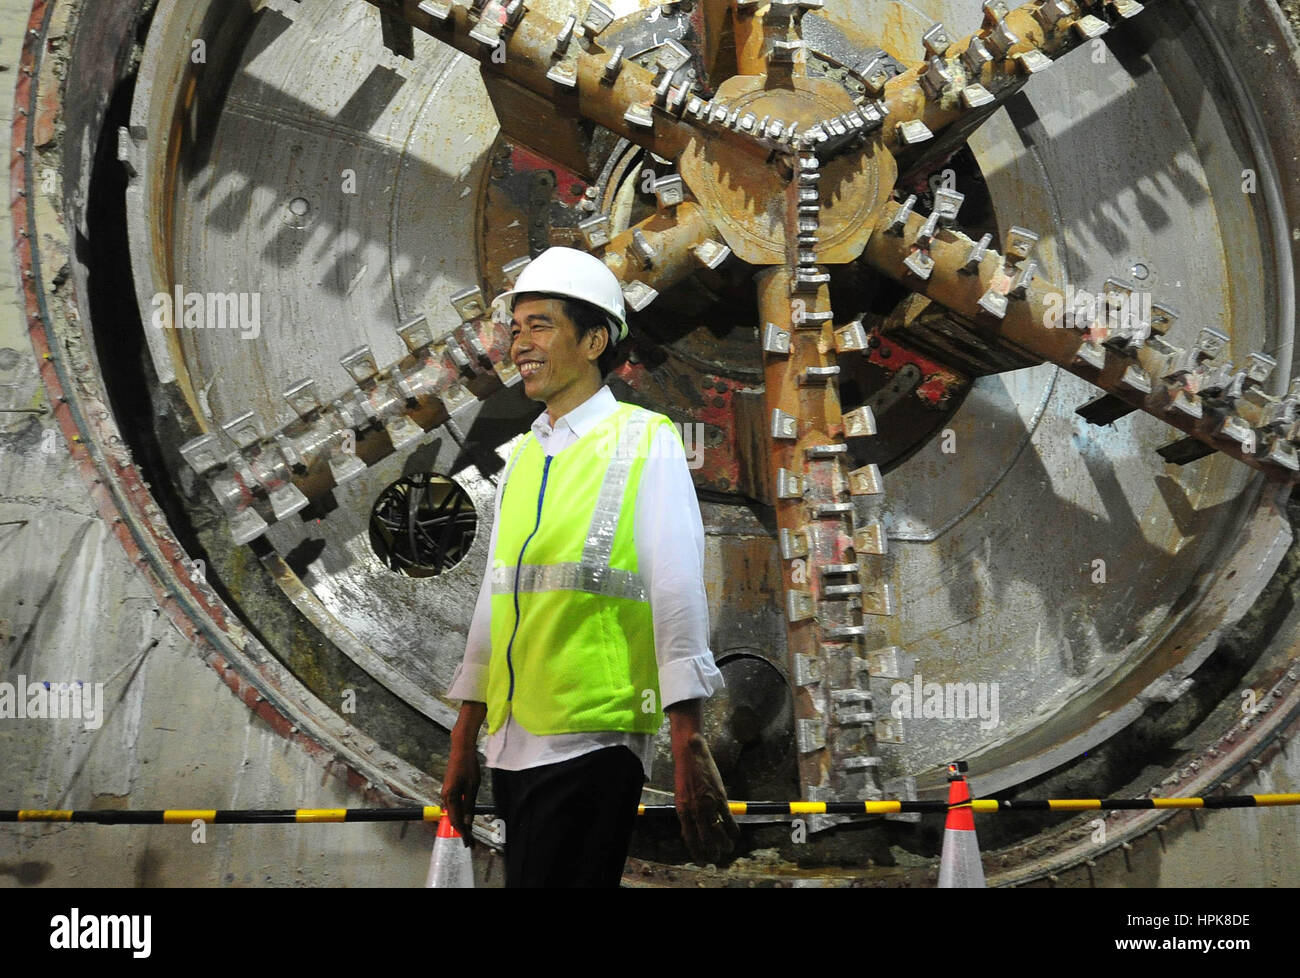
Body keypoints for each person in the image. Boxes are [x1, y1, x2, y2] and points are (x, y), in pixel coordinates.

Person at [441, 246, 741, 886]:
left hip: (593, 737)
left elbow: (676, 588)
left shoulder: (645, 438)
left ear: (594, 339)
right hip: (514, 738)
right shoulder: (523, 455)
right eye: (514, 328)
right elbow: (494, 602)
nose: (519, 342)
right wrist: (464, 737)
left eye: (540, 325)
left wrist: (686, 737)